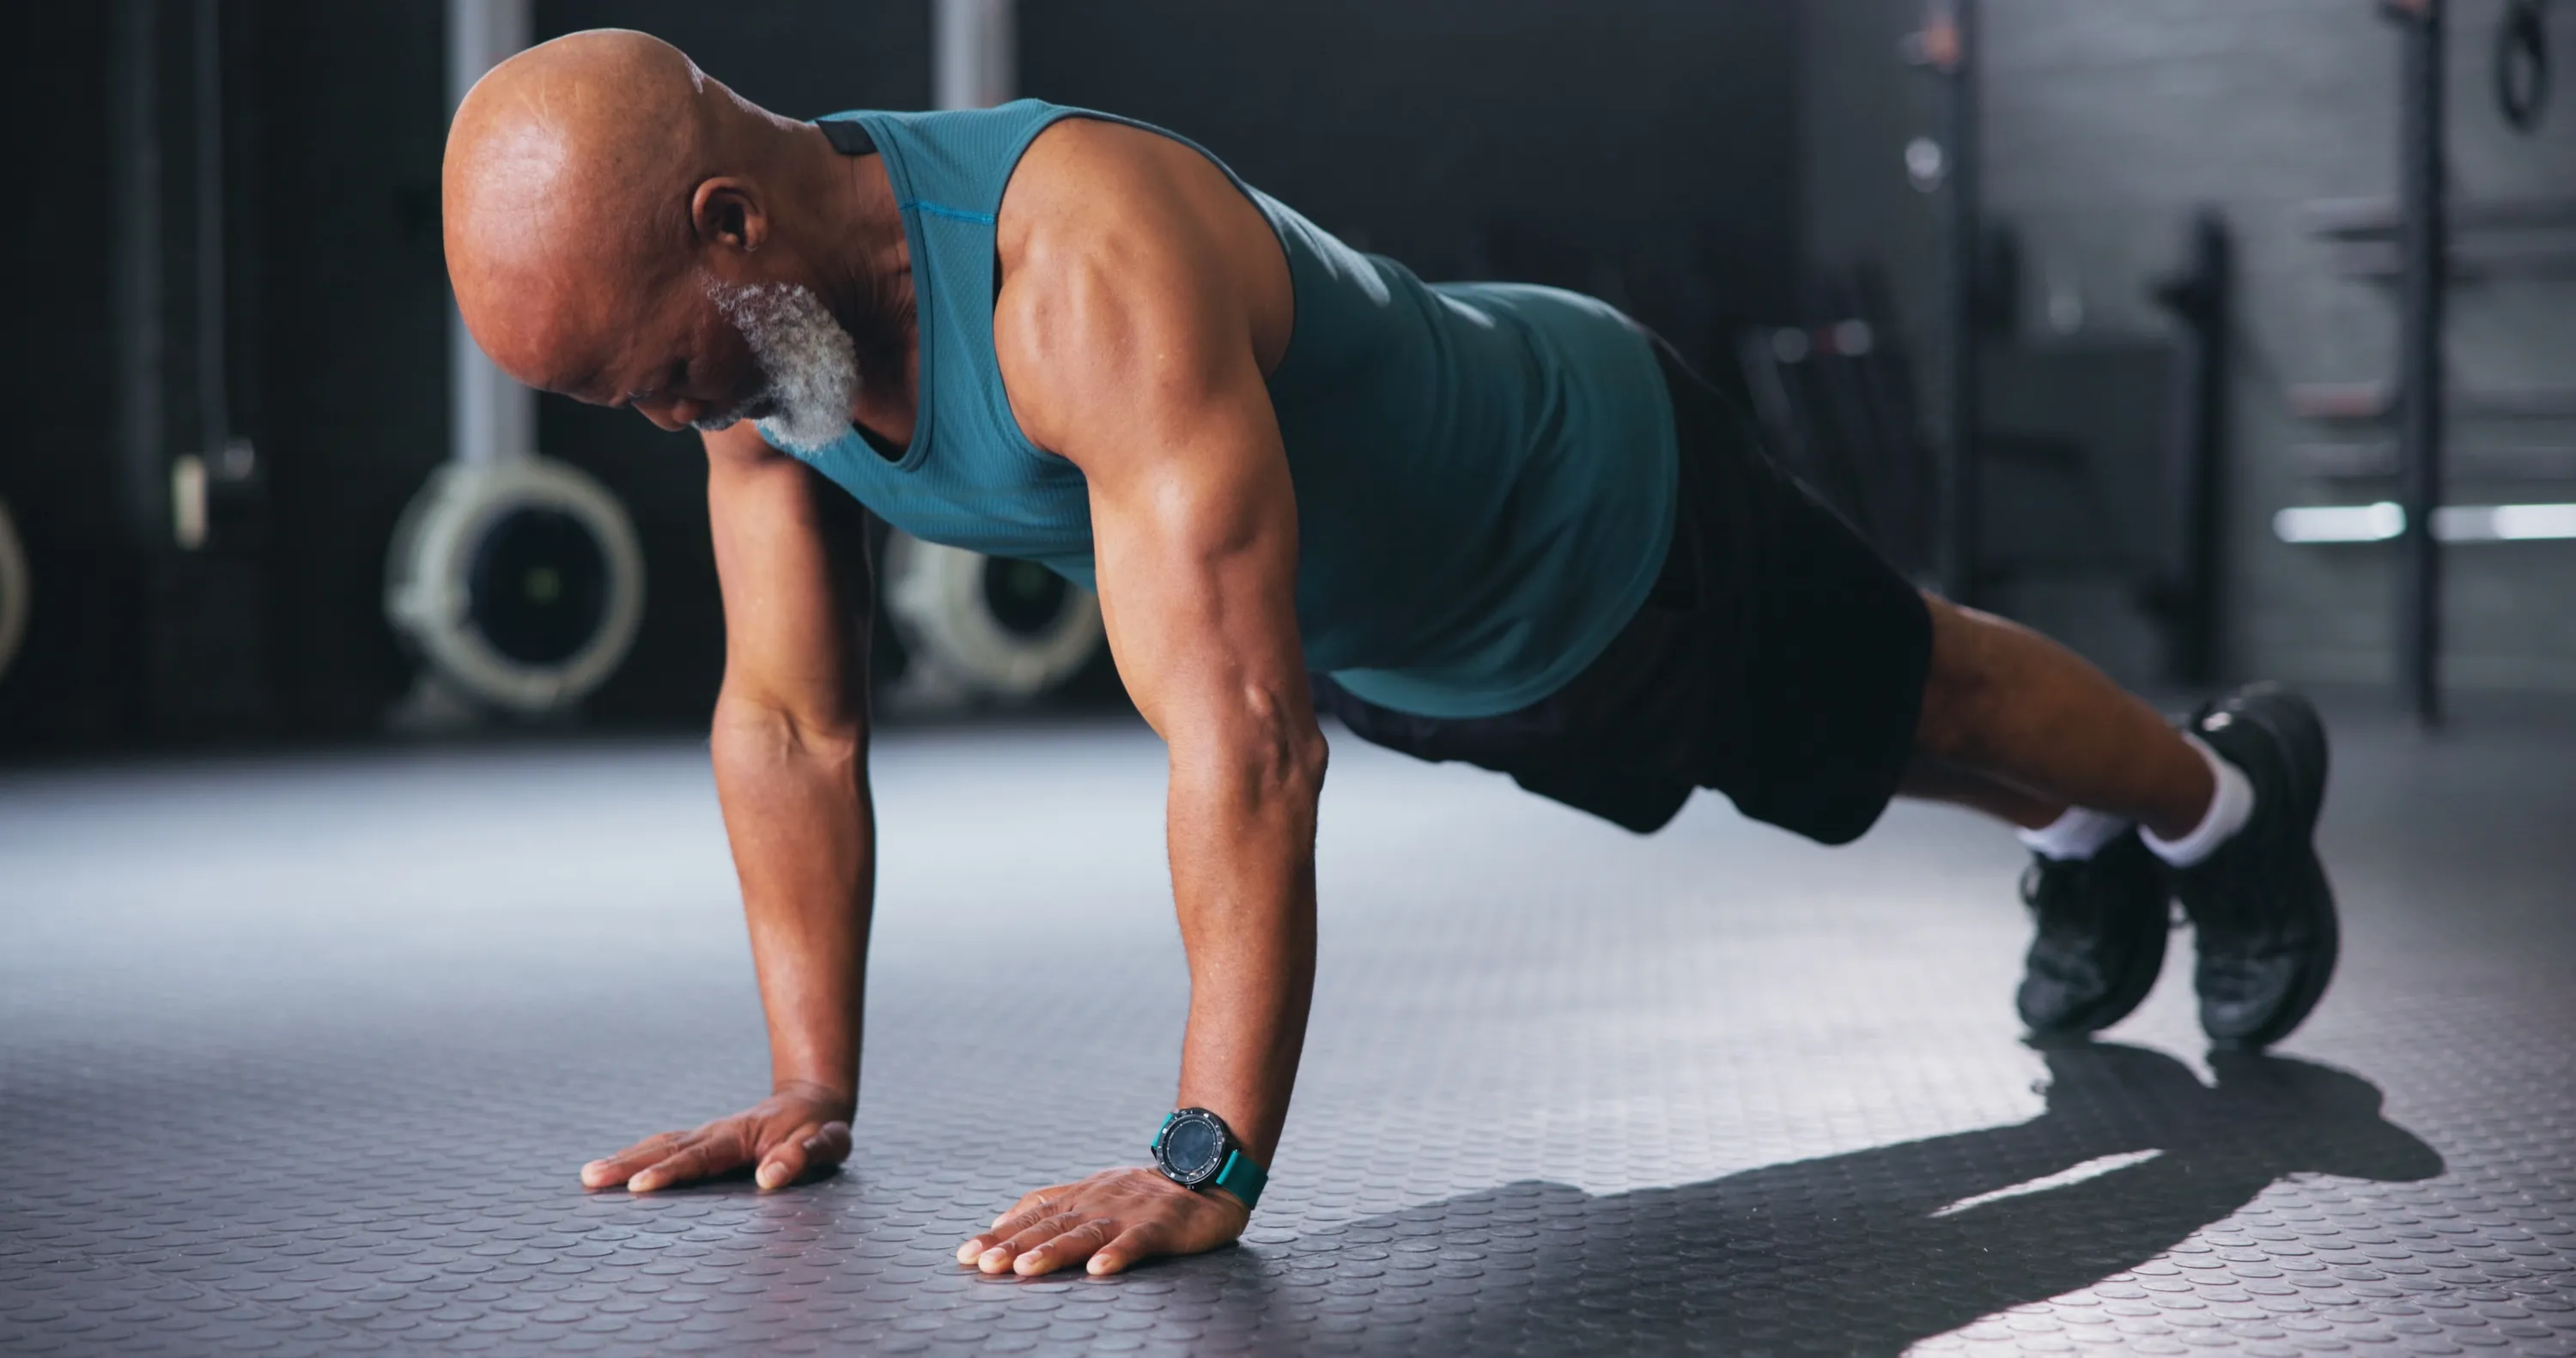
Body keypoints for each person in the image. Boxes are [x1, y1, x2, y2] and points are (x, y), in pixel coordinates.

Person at [440, 29, 2338, 1279]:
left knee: (1923, 692)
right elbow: (787, 716)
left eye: (651, 374)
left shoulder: (1079, 268)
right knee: (1841, 758)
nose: (664, 419)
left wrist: (1209, 1150)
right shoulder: (763, 356)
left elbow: (1244, 739)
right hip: (1429, 648)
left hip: (1595, 505)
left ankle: (2223, 798)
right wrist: (806, 1084)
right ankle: (2090, 843)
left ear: (727, 226)